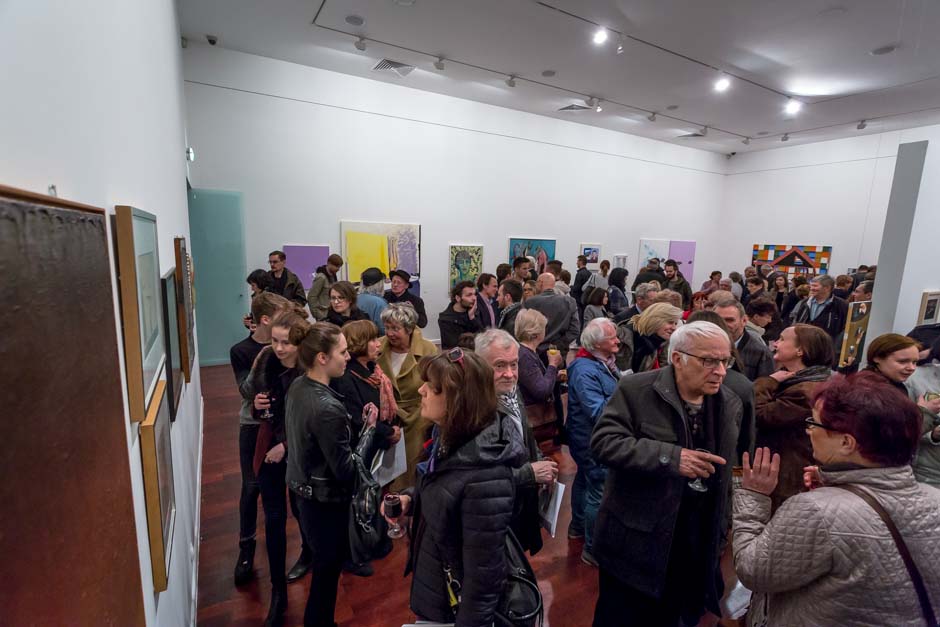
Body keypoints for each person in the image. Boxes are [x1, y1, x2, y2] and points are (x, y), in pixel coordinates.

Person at [733, 372, 940, 627]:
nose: (808, 430)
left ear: (846, 442)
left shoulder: (816, 511)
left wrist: (754, 497)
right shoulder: (934, 499)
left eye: (815, 423)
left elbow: (754, 571)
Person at [591, 321, 742, 626]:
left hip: (694, 544)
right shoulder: (637, 390)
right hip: (636, 545)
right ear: (677, 358)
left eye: (725, 361)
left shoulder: (730, 402)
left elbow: (728, 474)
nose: (720, 371)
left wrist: (722, 530)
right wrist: (671, 458)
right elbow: (604, 443)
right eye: (708, 361)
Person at [384, 349, 525, 626]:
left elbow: (483, 578)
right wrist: (410, 499)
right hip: (435, 576)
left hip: (453, 601)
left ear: (458, 400)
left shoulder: (486, 477)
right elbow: (445, 489)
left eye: (432, 387)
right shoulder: (447, 435)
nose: (422, 390)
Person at [286, 323, 378, 627]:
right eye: (342, 352)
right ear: (322, 358)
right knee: (326, 574)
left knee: (324, 569)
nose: (348, 357)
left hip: (302, 491)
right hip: (324, 503)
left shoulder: (298, 386)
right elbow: (347, 471)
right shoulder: (326, 407)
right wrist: (369, 431)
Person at [240, 309, 312, 626]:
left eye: (286, 342)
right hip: (269, 447)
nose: (279, 348)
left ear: (300, 343)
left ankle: (308, 554)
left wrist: (286, 445)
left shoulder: (310, 368)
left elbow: (313, 421)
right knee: (273, 518)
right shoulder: (267, 360)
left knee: (301, 508)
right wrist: (256, 406)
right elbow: (256, 399)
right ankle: (278, 591)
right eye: (275, 341)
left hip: (299, 453)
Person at [475, 329, 560, 555]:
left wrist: (541, 460)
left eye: (514, 364)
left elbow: (525, 436)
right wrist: (530, 473)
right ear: (480, 366)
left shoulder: (512, 391)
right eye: (499, 365)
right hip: (494, 518)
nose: (510, 374)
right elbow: (477, 481)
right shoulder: (475, 412)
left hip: (518, 504)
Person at [330, 320, 401, 577]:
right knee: (360, 500)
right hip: (360, 448)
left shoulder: (371, 369)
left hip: (375, 446)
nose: (377, 343)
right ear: (358, 344)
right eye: (371, 339)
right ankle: (357, 553)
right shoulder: (346, 377)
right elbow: (358, 418)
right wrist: (388, 432)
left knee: (373, 494)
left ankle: (375, 541)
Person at [230, 291, 289, 588]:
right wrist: (265, 355)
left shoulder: (288, 346)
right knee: (251, 486)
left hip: (282, 426)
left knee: (280, 490)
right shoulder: (241, 350)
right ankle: (247, 545)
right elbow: (246, 390)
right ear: (265, 320)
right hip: (254, 425)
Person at [753, 324, 833, 510]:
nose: (775, 344)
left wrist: (769, 381)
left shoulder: (805, 391)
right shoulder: (801, 382)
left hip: (788, 475)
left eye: (782, 339)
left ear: (800, 350)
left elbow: (760, 414)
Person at [566, 318, 621, 566]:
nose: (618, 341)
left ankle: (577, 528)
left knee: (585, 480)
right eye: (612, 338)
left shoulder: (602, 362)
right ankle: (592, 549)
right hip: (591, 440)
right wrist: (626, 394)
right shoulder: (584, 370)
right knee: (598, 489)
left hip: (589, 438)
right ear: (597, 344)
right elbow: (597, 410)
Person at [377, 303, 438, 490]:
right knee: (387, 475)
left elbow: (436, 385)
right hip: (387, 420)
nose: (390, 333)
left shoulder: (428, 350)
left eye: (395, 328)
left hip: (418, 418)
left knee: (412, 469)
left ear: (409, 329)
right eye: (387, 327)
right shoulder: (378, 347)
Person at [866, 334, 940, 486]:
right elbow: (895, 436)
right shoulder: (871, 391)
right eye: (902, 361)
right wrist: (925, 412)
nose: (911, 368)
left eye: (915, 362)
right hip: (877, 473)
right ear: (877, 358)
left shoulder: (896, 385)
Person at [515, 308, 565, 446]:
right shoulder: (525, 356)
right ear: (536, 333)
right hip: (536, 420)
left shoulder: (527, 352)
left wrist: (553, 376)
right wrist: (553, 365)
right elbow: (541, 390)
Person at [714, 298, 774, 381]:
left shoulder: (761, 353)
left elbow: (764, 387)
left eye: (729, 320)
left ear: (744, 320)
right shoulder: (703, 347)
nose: (723, 324)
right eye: (718, 320)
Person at [615, 302, 682, 373]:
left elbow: (664, 370)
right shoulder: (621, 337)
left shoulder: (662, 341)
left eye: (675, 323)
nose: (674, 328)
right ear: (655, 320)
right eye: (670, 322)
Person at [523, 273, 580, 354]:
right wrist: (559, 345)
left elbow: (524, 328)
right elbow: (575, 330)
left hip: (535, 350)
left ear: (540, 283)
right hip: (558, 352)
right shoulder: (569, 302)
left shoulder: (530, 302)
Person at [791, 275, 849, 350]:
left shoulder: (841, 306)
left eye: (815, 286)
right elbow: (795, 321)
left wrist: (835, 348)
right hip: (805, 346)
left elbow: (844, 329)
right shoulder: (804, 303)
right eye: (811, 285)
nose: (811, 288)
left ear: (827, 288)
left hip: (827, 348)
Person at [438, 280, 484, 350]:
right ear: (458, 298)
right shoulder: (446, 319)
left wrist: (472, 318)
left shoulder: (474, 312)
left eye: (475, 294)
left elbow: (482, 337)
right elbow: (454, 346)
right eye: (469, 295)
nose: (474, 298)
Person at [307, 254, 343, 320]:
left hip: (332, 313)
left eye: (339, 267)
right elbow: (311, 297)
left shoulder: (333, 276)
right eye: (336, 266)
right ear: (329, 263)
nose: (338, 269)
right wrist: (318, 315)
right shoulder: (321, 277)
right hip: (323, 315)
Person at [356, 267, 388, 335]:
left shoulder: (355, 298)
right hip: (374, 338)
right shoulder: (380, 303)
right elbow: (384, 330)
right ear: (379, 284)